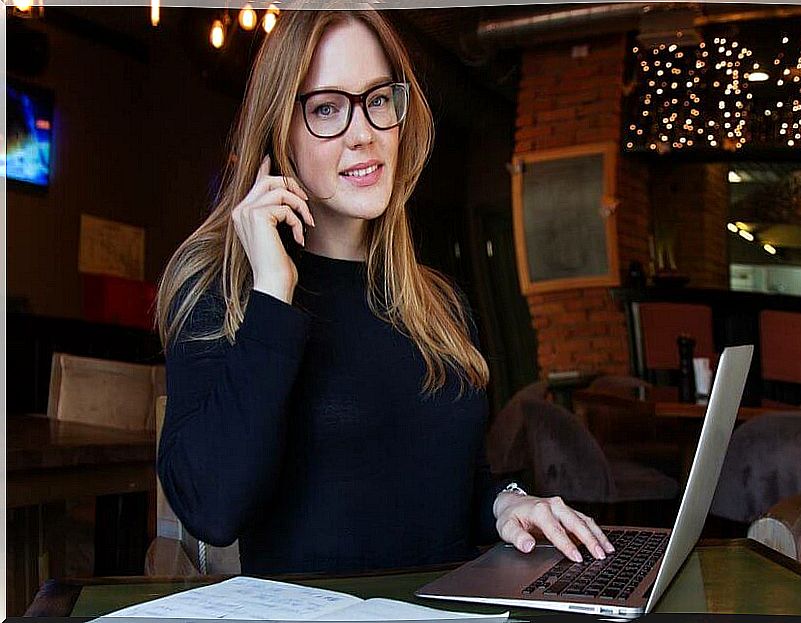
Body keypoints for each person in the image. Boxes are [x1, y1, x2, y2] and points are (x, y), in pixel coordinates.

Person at [155, 9, 614, 575]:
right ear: (280, 131)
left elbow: (446, 491)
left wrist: (504, 504)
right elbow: (212, 509)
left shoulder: (437, 304)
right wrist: (273, 293)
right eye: (326, 108)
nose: (363, 133)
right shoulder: (217, 288)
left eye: (377, 99)